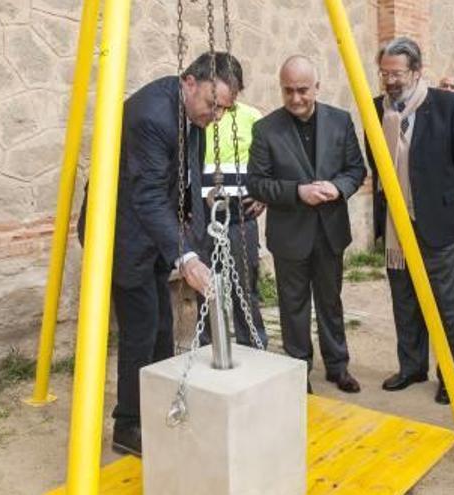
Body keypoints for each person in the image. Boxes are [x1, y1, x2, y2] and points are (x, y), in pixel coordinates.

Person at [77, 52, 243, 456]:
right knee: (140, 329)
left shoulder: (195, 113)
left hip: (154, 231)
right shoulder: (152, 116)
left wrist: (199, 245)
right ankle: (128, 425)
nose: (216, 115)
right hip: (120, 234)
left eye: (225, 108)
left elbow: (190, 184)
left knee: (163, 326)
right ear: (189, 82)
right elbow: (148, 195)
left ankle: (158, 405)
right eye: (213, 104)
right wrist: (185, 258)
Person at [366, 37, 454, 405]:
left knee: (446, 304)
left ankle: (450, 374)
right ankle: (412, 366)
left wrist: (441, 198)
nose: (390, 81)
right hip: (397, 228)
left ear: (416, 71)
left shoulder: (448, 106)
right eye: (385, 74)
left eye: (397, 73)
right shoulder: (375, 110)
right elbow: (376, 165)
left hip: (434, 222)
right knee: (405, 299)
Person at [247, 55, 366, 394]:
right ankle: (298, 370)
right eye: (288, 91)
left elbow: (356, 170)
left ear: (317, 86)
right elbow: (256, 183)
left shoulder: (341, 121)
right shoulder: (266, 129)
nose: (295, 99)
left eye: (302, 90)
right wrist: (297, 192)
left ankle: (338, 367)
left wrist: (339, 187)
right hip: (289, 235)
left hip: (330, 231)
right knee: (293, 305)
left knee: (330, 302)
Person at [199, 101, 268, 347]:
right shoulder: (197, 114)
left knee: (245, 285)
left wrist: (263, 193)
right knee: (204, 287)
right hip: (202, 215)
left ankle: (252, 344)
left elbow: (267, 159)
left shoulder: (250, 116)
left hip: (240, 215)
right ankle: (208, 347)